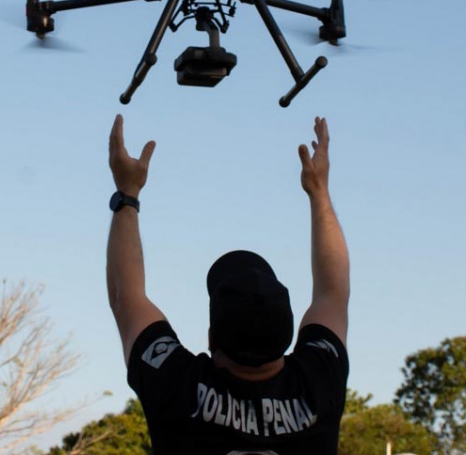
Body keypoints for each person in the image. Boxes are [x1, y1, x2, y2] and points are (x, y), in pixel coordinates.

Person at [106, 114, 350, 454]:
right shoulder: (319, 382)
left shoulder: (178, 386)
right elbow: (333, 292)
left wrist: (127, 192)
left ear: (211, 338)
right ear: (288, 334)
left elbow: (125, 296)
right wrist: (319, 190)